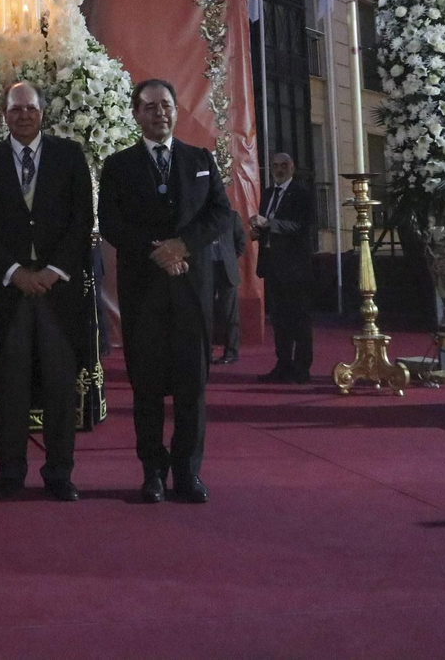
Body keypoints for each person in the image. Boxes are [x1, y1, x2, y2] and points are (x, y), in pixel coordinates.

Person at [98, 79, 231, 504]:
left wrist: (183, 245)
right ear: (136, 114)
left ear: (176, 110)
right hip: (144, 292)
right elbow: (112, 222)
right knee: (148, 387)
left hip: (191, 290)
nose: (160, 113)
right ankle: (152, 472)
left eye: (167, 105)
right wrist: (156, 252)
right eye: (150, 106)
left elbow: (220, 214)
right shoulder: (118, 166)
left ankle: (187, 473)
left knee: (193, 386)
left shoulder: (200, 159)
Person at [0, 81, 94, 501]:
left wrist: (54, 271)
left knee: (61, 386)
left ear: (43, 112)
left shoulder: (69, 155)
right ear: (3, 115)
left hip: (57, 292)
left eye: (30, 108)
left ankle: (59, 472)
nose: (23, 115)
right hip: (12, 292)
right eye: (15, 109)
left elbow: (83, 219)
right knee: (11, 387)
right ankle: (10, 472)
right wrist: (14, 272)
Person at [251, 152, 316, 384]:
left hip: (295, 268)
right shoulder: (268, 194)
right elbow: (268, 225)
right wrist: (257, 231)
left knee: (299, 320)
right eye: (275, 166)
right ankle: (283, 364)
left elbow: (300, 226)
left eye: (284, 165)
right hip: (272, 266)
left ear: (293, 168)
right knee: (279, 321)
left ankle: (301, 368)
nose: (279, 169)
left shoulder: (301, 194)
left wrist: (270, 224)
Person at [212, 209, 246, 365]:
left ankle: (231, 351)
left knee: (230, 314)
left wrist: (231, 258)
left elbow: (241, 242)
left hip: (227, 270)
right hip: (207, 269)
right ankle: (206, 351)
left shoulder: (232, 216)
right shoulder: (201, 215)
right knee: (206, 313)